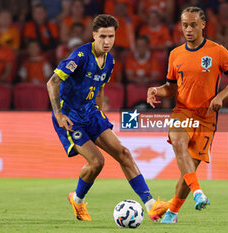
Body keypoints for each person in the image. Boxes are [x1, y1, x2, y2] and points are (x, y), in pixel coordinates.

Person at [47, 14, 170, 222]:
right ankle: (77, 200)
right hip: (70, 117)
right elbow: (52, 82)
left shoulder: (110, 60)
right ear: (93, 35)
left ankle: (152, 206)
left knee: (124, 153)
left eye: (111, 36)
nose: (106, 41)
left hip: (91, 113)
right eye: (102, 36)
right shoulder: (80, 57)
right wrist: (59, 114)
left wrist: (100, 108)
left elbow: (101, 85)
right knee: (97, 162)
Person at [147, 6, 228, 223]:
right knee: (179, 143)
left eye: (192, 24)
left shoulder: (218, 51)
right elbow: (170, 88)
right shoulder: (175, 54)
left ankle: (171, 213)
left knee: (186, 172)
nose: (188, 29)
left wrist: (220, 97)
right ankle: (198, 192)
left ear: (203, 25)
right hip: (182, 111)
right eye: (184, 25)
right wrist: (155, 90)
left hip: (207, 117)